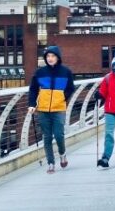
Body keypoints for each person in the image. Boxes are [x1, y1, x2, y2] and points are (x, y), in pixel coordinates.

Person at [28, 46, 76, 174]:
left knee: (59, 135)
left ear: (58, 57)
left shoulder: (66, 72)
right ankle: (50, 163)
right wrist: (32, 104)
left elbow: (71, 88)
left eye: (53, 56)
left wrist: (62, 98)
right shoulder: (40, 72)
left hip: (59, 108)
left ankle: (62, 153)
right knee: (47, 137)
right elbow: (33, 89)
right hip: (42, 109)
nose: (50, 59)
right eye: (48, 56)